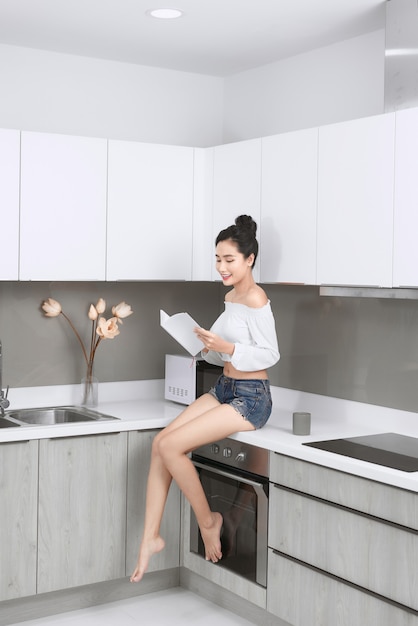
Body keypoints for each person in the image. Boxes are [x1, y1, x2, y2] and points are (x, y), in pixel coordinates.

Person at [130, 214, 279, 583]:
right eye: (218, 259)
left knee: (173, 447)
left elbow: (270, 353)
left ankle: (208, 520)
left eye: (229, 259)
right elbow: (222, 353)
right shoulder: (230, 297)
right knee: (160, 444)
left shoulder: (257, 298)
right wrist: (203, 347)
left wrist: (227, 346)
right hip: (225, 388)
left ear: (250, 260)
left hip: (251, 398)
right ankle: (150, 537)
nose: (222, 267)